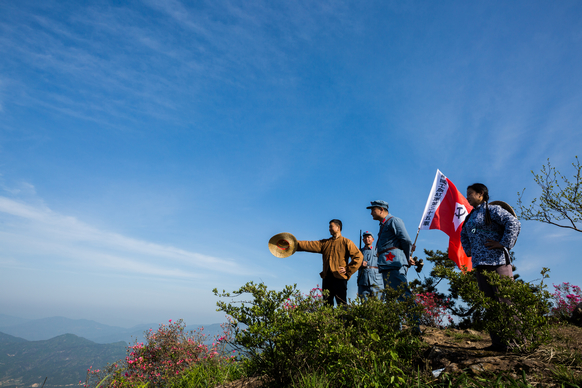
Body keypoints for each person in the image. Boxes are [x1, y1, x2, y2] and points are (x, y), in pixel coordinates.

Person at [460, 183, 521, 351]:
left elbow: (514, 223)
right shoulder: (470, 217)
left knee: (505, 301)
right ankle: (498, 343)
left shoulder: (492, 210)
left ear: (481, 194)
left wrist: (504, 244)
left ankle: (515, 343)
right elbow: (463, 233)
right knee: (490, 304)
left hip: (498, 262)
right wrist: (470, 250)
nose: (468, 197)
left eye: (470, 194)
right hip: (480, 264)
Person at [297, 219, 363, 306]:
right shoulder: (325, 243)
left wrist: (348, 270)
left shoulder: (346, 242)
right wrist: (293, 244)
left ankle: (343, 320)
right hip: (327, 278)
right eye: (329, 227)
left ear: (338, 227)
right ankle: (328, 320)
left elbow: (359, 257)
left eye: (331, 226)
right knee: (326, 304)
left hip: (340, 277)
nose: (329, 229)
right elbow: (309, 245)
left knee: (341, 304)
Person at [367, 200, 415, 299]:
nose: (371, 213)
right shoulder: (383, 224)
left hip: (394, 264)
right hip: (387, 265)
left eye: (373, 210)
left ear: (381, 209)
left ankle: (414, 315)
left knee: (402, 294)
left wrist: (407, 257)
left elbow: (406, 240)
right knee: (392, 296)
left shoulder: (394, 221)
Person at [357, 231, 383, 300]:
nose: (367, 239)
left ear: (373, 239)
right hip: (363, 282)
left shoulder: (378, 250)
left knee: (378, 305)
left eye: (369, 237)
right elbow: (354, 265)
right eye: (365, 237)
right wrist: (360, 264)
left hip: (377, 282)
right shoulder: (359, 252)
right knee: (365, 306)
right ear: (363, 240)